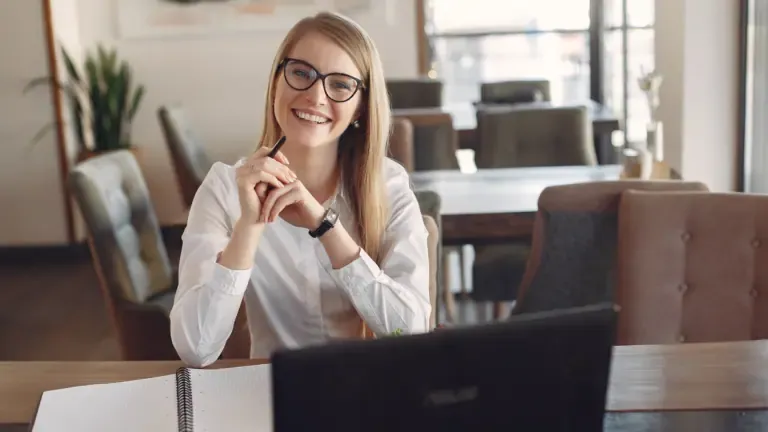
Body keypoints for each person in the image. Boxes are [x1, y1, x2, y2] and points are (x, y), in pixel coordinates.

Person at [170, 11, 431, 367]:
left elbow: (412, 335)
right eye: (301, 73)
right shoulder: (224, 188)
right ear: (277, 81)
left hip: (368, 393)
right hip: (270, 397)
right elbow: (195, 349)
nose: (315, 96)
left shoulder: (389, 186)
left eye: (340, 84)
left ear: (360, 107)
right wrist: (249, 225)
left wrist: (326, 227)